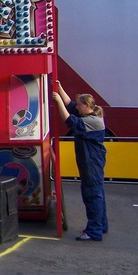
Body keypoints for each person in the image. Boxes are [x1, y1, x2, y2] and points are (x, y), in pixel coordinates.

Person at [52, 80, 108, 241]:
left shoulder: (92, 121)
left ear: (86, 106)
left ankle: (94, 231)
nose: (77, 107)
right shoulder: (90, 115)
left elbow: (69, 120)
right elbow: (70, 105)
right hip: (92, 162)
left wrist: (57, 101)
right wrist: (60, 88)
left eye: (80, 105)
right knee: (97, 193)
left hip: (91, 163)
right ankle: (101, 225)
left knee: (91, 194)